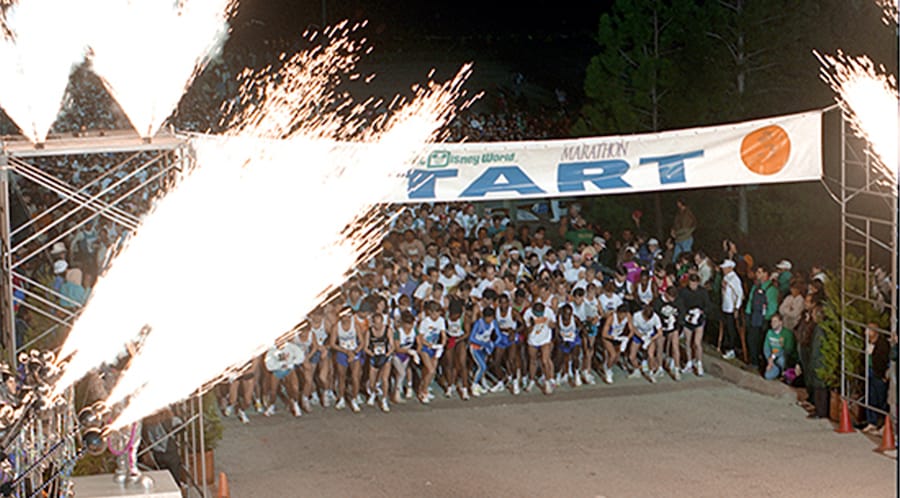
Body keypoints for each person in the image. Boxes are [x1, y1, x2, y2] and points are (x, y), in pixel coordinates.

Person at [330, 307, 366, 412]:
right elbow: (332, 344)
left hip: (354, 351)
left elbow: (362, 342)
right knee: (342, 377)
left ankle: (354, 398)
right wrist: (346, 352)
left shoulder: (355, 326)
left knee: (355, 377)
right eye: (344, 315)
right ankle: (341, 398)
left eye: (348, 315)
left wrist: (354, 352)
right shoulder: (336, 327)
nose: (346, 318)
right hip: (342, 352)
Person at [745, 266, 779, 369]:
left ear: (766, 274)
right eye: (757, 272)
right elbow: (750, 301)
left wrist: (767, 318)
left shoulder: (771, 289)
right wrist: (748, 314)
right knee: (751, 340)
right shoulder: (756, 287)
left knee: (761, 342)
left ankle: (762, 363)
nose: (757, 274)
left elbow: (772, 306)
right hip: (754, 317)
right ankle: (754, 362)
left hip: (764, 319)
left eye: (760, 272)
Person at [679, 274, 712, 376]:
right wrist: (685, 315)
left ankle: (699, 363)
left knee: (697, 343)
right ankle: (689, 362)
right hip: (688, 319)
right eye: (691, 283)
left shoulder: (702, 292)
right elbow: (681, 305)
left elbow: (708, 305)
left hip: (699, 319)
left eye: (694, 284)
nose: (693, 286)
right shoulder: (684, 292)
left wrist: (701, 312)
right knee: (688, 342)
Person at [860, 323, 890, 433]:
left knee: (881, 398)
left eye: (868, 331)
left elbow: (884, 360)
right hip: (869, 371)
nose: (866, 333)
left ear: (875, 332)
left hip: (878, 373)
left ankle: (883, 422)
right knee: (870, 397)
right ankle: (871, 421)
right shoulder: (867, 342)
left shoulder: (882, 344)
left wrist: (883, 375)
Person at [416, 301, 447, 404]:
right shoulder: (425, 322)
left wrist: (442, 343)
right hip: (425, 348)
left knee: (428, 371)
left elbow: (443, 334)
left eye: (438, 313)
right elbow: (420, 337)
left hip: (435, 347)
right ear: (429, 312)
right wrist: (427, 344)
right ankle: (423, 391)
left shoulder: (441, 320)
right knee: (431, 370)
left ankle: (423, 386)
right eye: (434, 313)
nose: (436, 315)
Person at [263, 341, 304, 417]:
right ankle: (271, 405)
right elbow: (268, 365)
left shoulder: (291, 347)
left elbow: (300, 356)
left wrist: (292, 363)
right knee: (273, 390)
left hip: (289, 370)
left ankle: (295, 404)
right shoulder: (271, 350)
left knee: (294, 387)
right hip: (277, 371)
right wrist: (280, 365)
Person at [523, 301, 556, 394]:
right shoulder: (528, 313)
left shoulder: (549, 312)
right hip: (533, 340)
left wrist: (549, 323)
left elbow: (554, 325)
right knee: (533, 361)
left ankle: (547, 380)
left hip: (545, 339)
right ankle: (532, 380)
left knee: (545, 361)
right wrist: (532, 324)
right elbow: (527, 331)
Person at [365, 313, 394, 412]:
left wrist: (387, 354)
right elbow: (365, 347)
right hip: (374, 357)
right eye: (376, 324)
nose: (378, 326)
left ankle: (384, 400)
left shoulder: (387, 330)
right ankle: (373, 393)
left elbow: (392, 345)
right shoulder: (369, 331)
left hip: (385, 357)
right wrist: (371, 353)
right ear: (373, 323)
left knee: (384, 379)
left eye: (380, 323)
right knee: (372, 380)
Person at [600, 305, 633, 384]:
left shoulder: (628, 316)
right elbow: (603, 334)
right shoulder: (611, 318)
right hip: (608, 337)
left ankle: (607, 364)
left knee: (616, 358)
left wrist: (627, 338)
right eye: (622, 314)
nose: (623, 316)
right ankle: (608, 372)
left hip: (619, 336)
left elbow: (632, 330)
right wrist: (614, 338)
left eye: (625, 314)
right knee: (613, 355)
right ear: (618, 313)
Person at [469, 307, 498, 396]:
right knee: (482, 367)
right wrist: (483, 343)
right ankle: (474, 386)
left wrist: (493, 344)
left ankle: (479, 384)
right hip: (475, 348)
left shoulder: (493, 323)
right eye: (488, 318)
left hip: (484, 349)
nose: (490, 320)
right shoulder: (478, 323)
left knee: (481, 367)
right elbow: (471, 338)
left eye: (491, 318)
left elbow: (498, 334)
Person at [629, 304, 662, 382]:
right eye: (646, 318)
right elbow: (633, 328)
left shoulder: (655, 317)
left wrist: (650, 339)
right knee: (632, 356)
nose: (647, 320)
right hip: (639, 335)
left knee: (650, 355)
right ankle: (636, 370)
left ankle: (651, 373)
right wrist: (641, 337)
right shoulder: (636, 316)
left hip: (649, 335)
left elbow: (660, 332)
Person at [719, 260, 744, 360]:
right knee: (726, 328)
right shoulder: (726, 277)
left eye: (725, 268)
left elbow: (740, 294)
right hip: (725, 306)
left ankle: (732, 349)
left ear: (730, 268)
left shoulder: (735, 279)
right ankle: (726, 347)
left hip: (731, 308)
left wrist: (736, 307)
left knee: (731, 329)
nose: (723, 270)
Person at [762, 313, 796, 381]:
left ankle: (783, 373)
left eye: (775, 321)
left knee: (781, 360)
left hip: (782, 357)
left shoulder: (788, 334)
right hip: (771, 359)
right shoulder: (769, 332)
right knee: (767, 376)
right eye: (771, 321)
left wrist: (772, 357)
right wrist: (769, 360)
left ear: (780, 322)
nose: (772, 323)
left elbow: (787, 350)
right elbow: (766, 348)